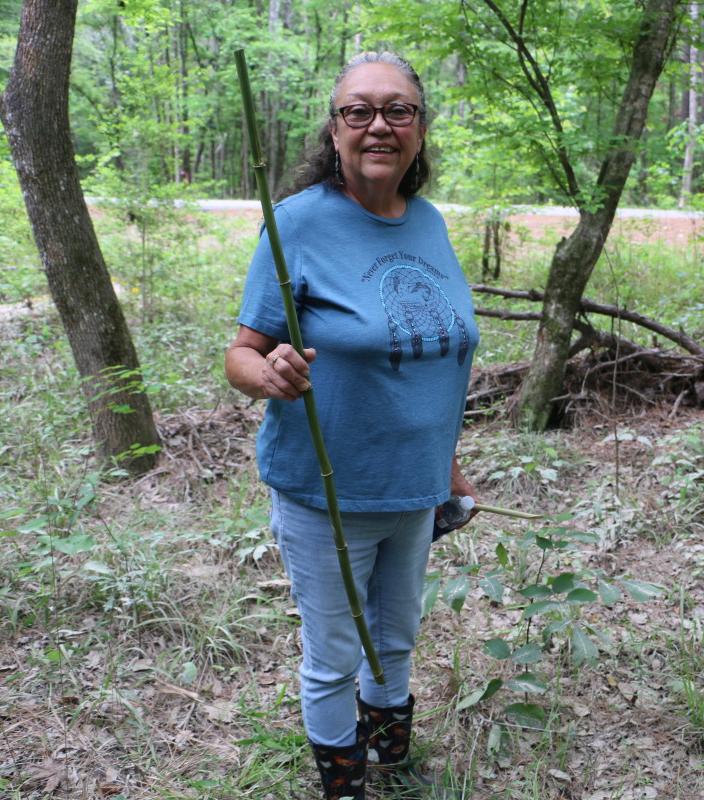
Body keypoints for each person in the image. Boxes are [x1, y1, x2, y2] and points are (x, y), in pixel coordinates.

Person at [225, 51, 479, 800]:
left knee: (396, 636)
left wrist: (448, 468)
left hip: (413, 487)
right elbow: (241, 355)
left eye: (398, 110)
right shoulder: (296, 224)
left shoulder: (429, 223)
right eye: (357, 111)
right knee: (334, 651)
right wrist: (269, 374)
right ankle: (346, 785)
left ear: (420, 130)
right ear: (333, 131)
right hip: (325, 490)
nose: (378, 125)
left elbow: (437, 362)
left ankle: (393, 764)